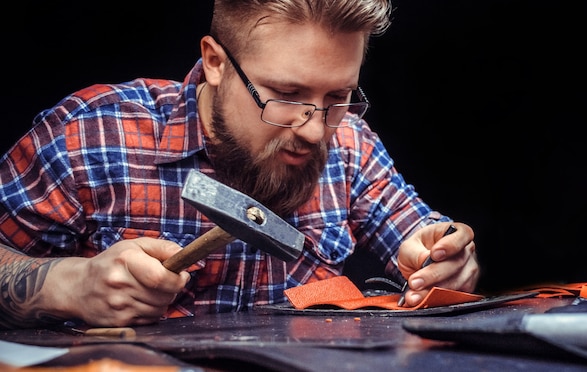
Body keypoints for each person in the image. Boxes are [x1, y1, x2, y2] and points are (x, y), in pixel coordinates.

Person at [0, 0, 479, 329]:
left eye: (338, 96)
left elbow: (427, 237)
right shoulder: (89, 135)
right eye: (286, 96)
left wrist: (445, 259)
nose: (315, 130)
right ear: (215, 62)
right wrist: (64, 286)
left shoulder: (349, 141)